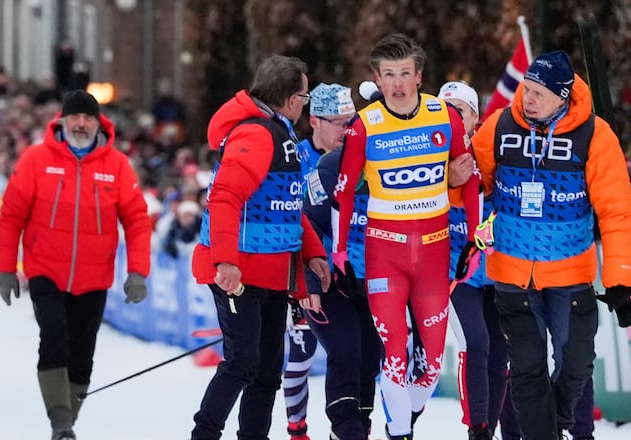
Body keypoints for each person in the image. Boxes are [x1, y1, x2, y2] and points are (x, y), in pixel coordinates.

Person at [471, 51, 631, 440]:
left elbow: (616, 213)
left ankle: (557, 424)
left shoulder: (595, 136)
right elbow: (470, 186)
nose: (527, 98)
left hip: (571, 272)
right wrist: (459, 175)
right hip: (512, 274)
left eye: (538, 93)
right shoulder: (499, 125)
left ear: (563, 97)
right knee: (527, 370)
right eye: (526, 89)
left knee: (576, 363)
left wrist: (620, 280)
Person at [332, 33, 481, 440]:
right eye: (388, 75)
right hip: (385, 255)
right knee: (394, 354)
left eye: (404, 74)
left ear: (418, 76)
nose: (397, 84)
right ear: (378, 81)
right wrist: (341, 252)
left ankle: (404, 416)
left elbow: (470, 181)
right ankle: (400, 432)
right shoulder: (365, 126)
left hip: (433, 256)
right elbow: (344, 193)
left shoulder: (443, 115)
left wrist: (473, 242)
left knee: (432, 362)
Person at [0, 90, 151, 440]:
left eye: (88, 118)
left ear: (98, 123)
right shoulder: (36, 159)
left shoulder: (117, 166)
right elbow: (10, 218)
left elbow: (138, 221)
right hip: (45, 269)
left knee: (82, 351)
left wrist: (138, 272)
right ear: (62, 121)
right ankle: (59, 421)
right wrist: (5, 269)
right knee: (54, 335)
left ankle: (67, 423)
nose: (81, 123)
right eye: (75, 117)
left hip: (94, 276)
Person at [189, 54, 331, 440]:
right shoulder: (256, 134)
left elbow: (286, 205)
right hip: (241, 273)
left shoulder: (278, 130)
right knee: (242, 363)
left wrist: (313, 252)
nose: (305, 104)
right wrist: (225, 261)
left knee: (268, 370)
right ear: (288, 98)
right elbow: (224, 198)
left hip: (273, 273)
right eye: (304, 96)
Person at [283, 82, 361, 440]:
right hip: (306, 274)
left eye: (352, 121)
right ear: (315, 120)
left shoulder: (360, 154)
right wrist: (298, 281)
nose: (348, 130)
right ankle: (297, 429)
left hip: (349, 276)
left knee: (353, 353)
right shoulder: (295, 158)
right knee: (300, 358)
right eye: (339, 122)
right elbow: (287, 220)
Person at [438, 81, 508, 440]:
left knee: (500, 354)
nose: (451, 117)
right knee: (476, 342)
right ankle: (477, 428)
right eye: (444, 110)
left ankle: (489, 428)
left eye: (459, 111)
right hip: (457, 273)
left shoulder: (490, 154)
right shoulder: (430, 157)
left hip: (495, 272)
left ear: (474, 118)